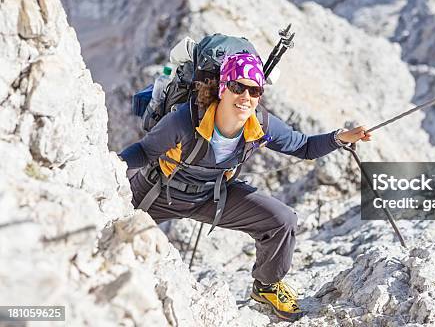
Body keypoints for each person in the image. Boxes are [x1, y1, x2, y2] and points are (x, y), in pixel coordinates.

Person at [118, 51, 371, 321]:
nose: (246, 97)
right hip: (158, 192)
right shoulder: (185, 120)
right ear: (222, 88)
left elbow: (304, 146)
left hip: (212, 196)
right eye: (238, 87)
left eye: (254, 90)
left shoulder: (259, 123)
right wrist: (111, 165)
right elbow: (144, 152)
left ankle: (266, 285)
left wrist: (340, 137)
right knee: (110, 229)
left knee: (282, 220)